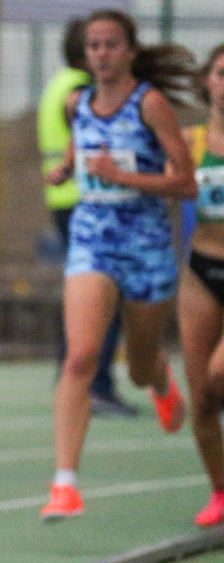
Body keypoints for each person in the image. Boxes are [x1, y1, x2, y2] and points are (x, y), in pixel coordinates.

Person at [39, 9, 197, 520]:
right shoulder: (76, 103)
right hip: (92, 239)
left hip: (146, 245)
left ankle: (159, 379)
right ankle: (65, 484)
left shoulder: (151, 104)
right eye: (94, 46)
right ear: (85, 55)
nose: (102, 54)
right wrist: (68, 166)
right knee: (80, 357)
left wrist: (120, 176)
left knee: (139, 365)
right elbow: (83, 144)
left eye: (111, 44)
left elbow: (186, 183)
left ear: (130, 50)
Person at [38, 17, 136, 418]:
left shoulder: (59, 84)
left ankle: (75, 378)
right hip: (88, 201)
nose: (105, 53)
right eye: (97, 44)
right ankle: (95, 385)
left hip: (68, 200)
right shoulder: (79, 93)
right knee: (102, 296)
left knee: (84, 296)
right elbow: (95, 135)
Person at [178, 43, 224, 527]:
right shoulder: (189, 141)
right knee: (204, 396)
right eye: (222, 74)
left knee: (219, 373)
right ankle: (220, 491)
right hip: (200, 274)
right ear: (207, 81)